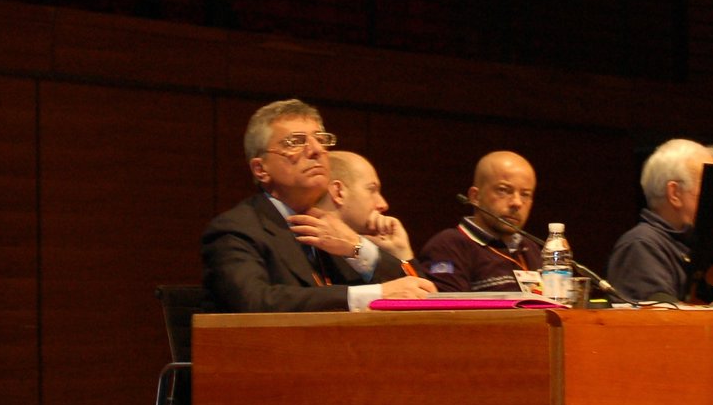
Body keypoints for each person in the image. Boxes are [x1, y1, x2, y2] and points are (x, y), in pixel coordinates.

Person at [200, 100, 434, 312]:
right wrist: (374, 295)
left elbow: (421, 294)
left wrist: (360, 248)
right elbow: (256, 301)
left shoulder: (335, 228)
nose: (316, 150)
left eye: (321, 139)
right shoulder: (236, 229)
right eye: (296, 142)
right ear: (261, 169)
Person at [606, 139, 713, 302]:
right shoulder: (641, 245)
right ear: (675, 194)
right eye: (710, 186)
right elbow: (667, 320)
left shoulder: (699, 244)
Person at [418, 151, 540, 292]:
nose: (517, 203)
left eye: (525, 194)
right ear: (475, 197)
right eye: (504, 190)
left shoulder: (531, 248)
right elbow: (449, 312)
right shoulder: (448, 246)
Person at [312, 150, 419, 274]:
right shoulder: (304, 253)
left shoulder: (368, 254)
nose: (383, 204)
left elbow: (420, 292)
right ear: (338, 192)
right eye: (372, 190)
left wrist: (401, 253)